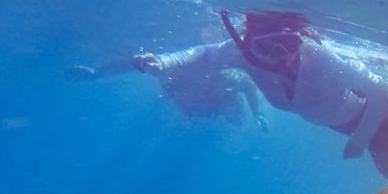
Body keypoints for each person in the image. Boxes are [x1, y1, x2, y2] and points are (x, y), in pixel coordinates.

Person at [127, 11, 388, 179]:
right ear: (248, 44)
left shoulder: (324, 58)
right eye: (267, 48)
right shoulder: (241, 55)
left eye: (288, 44)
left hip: (377, 117)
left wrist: (360, 141)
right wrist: (164, 61)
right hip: (339, 121)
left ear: (299, 39)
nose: (281, 57)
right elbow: (203, 53)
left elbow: (379, 91)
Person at [64, 53, 267, 130]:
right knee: (147, 63)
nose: (234, 109)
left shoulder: (204, 106)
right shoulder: (235, 81)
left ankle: (96, 74)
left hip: (181, 78)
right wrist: (257, 114)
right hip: (191, 66)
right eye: (237, 107)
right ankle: (96, 73)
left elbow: (137, 63)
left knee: (147, 64)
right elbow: (250, 89)